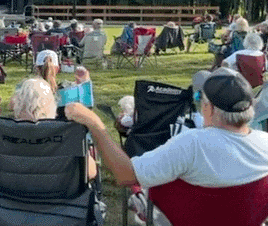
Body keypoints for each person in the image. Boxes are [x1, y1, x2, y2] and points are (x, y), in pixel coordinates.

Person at [65, 68, 268, 208]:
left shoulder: (191, 144)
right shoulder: (264, 144)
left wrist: (95, 124)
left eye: (200, 99)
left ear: (210, 108)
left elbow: (125, 175)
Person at [0, 78, 97, 179]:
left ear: (17, 104)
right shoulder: (68, 134)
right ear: (52, 105)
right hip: (59, 207)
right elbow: (90, 173)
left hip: (2, 207)